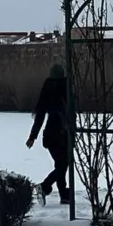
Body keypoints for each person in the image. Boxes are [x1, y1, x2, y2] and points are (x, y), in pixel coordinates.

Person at [26, 62, 70, 205]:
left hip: (51, 135)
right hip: (60, 135)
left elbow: (39, 117)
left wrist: (33, 137)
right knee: (63, 164)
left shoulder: (48, 91)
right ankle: (45, 187)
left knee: (61, 164)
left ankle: (63, 195)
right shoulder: (65, 89)